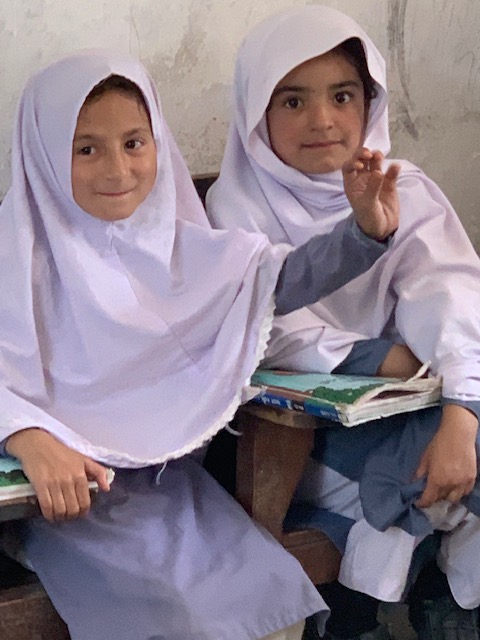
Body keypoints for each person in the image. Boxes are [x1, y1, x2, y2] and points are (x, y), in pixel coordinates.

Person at [0, 49, 397, 640]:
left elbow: (278, 280)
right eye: (86, 149)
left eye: (134, 143)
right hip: (58, 500)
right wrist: (27, 435)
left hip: (170, 490)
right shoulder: (15, 260)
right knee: (170, 614)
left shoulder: (181, 249)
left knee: (265, 605)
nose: (117, 169)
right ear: (43, 154)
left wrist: (363, 231)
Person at [206, 5, 480, 640]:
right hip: (302, 442)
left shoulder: (402, 188)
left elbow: (450, 295)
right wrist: (381, 357)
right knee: (419, 467)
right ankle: (404, 608)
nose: (323, 119)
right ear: (255, 114)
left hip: (423, 408)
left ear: (369, 102)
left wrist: (461, 414)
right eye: (292, 101)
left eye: (342, 95)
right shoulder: (235, 211)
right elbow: (260, 327)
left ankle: (442, 603)